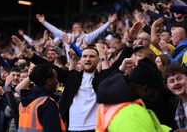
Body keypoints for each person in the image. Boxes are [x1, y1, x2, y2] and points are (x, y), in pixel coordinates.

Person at [12, 21, 142, 131]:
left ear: (98, 61)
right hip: (73, 127)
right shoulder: (71, 77)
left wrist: (130, 41)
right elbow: (48, 65)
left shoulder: (104, 75)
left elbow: (120, 62)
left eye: (92, 56)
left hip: (96, 127)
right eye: (85, 56)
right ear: (80, 60)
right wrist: (27, 52)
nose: (88, 59)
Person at [96, 57, 172, 132]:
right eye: (156, 90)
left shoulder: (122, 104)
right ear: (145, 88)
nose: (157, 94)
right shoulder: (132, 113)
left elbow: (149, 126)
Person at [36, 13, 117, 61]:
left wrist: (108, 23)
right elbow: (55, 30)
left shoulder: (86, 37)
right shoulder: (67, 36)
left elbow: (98, 31)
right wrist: (44, 22)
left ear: (81, 29)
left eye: (77, 27)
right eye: (73, 27)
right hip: (69, 63)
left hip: (81, 62)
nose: (74, 28)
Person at [17, 63, 65, 132]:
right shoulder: (47, 103)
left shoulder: (24, 101)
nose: (57, 81)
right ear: (49, 81)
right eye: (56, 78)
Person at [163, 63, 187, 129]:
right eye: (172, 81)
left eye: (179, 79)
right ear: (168, 87)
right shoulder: (177, 109)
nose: (176, 83)